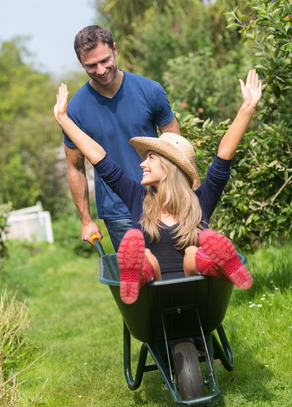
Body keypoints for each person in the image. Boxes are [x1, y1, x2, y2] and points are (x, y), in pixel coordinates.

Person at [54, 69, 262, 304]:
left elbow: (223, 156)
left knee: (194, 254)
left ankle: (216, 264)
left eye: (151, 158)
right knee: (145, 257)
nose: (142, 163)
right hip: (157, 289)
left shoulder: (200, 199)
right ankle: (138, 271)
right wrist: (64, 119)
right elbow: (99, 159)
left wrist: (247, 108)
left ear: (169, 165)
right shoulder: (137, 197)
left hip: (192, 284)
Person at [63, 25, 194, 252]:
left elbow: (175, 145)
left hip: (163, 201)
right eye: (91, 66)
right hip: (118, 212)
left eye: (105, 60)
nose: (101, 70)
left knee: (175, 272)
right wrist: (86, 220)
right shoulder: (75, 110)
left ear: (115, 49)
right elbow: (75, 168)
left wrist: (190, 195)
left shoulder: (150, 90)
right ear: (80, 62)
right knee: (139, 279)